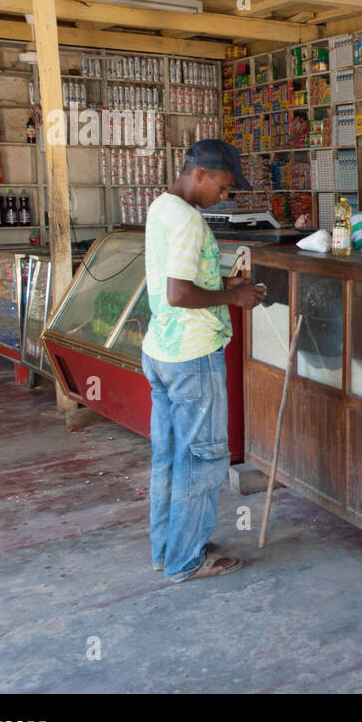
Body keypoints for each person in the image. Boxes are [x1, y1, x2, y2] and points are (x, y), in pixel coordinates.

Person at [141, 139, 265, 583]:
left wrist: (221, 280)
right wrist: (233, 296)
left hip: (161, 352)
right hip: (192, 356)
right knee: (202, 460)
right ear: (200, 175)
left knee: (171, 457)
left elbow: (182, 281)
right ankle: (186, 561)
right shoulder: (191, 220)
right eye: (224, 187)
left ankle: (168, 549)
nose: (224, 196)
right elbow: (180, 293)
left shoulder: (162, 207)